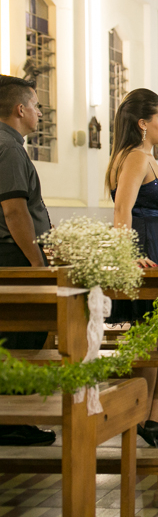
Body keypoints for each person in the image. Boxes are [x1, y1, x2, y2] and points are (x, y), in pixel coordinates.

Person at [106, 88, 158, 448]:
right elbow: (122, 211)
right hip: (149, 248)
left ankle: (153, 414)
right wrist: (128, 255)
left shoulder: (142, 156)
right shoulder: (136, 157)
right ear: (142, 123)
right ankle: (151, 413)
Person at [0, 76, 55, 446]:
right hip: (14, 256)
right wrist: (39, 265)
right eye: (36, 105)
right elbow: (15, 211)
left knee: (18, 336)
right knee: (19, 335)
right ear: (20, 109)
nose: (40, 112)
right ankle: (11, 420)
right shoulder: (8, 147)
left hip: (12, 254)